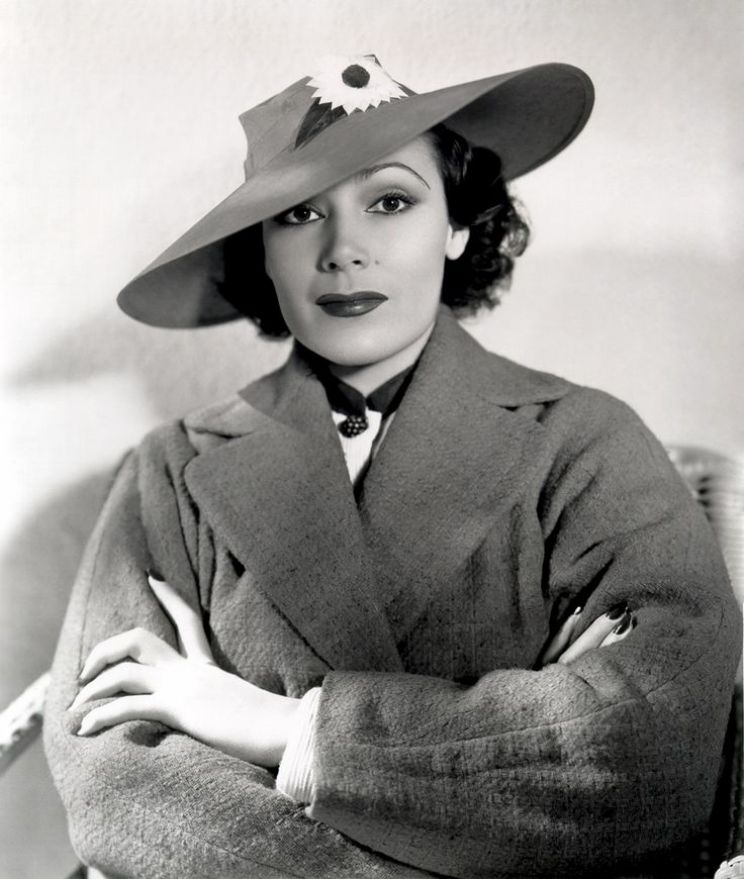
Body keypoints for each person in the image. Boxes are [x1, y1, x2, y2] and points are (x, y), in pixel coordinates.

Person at [43, 54, 741, 879]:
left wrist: (285, 727)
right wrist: (510, 757)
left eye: (391, 201)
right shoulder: (172, 467)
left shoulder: (584, 439)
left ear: (458, 225)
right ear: (262, 250)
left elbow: (656, 747)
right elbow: (114, 779)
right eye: (299, 213)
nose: (344, 249)